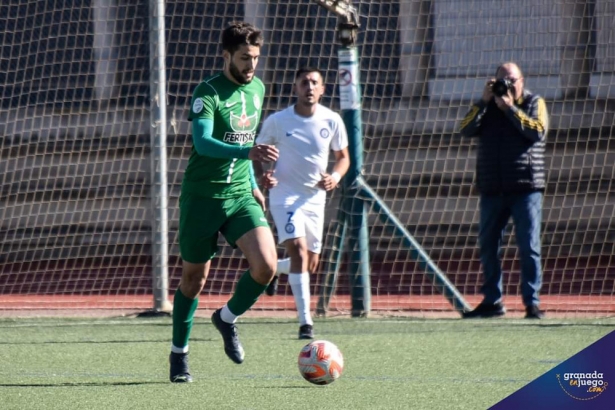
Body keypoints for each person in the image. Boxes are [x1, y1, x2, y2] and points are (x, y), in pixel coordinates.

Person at [169, 21, 280, 383]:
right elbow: (202, 143)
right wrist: (248, 152)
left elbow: (245, 144)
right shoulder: (207, 93)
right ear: (227, 55)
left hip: (238, 196)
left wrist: (252, 183)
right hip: (202, 199)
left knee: (266, 266)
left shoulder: (258, 89)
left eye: (256, 58)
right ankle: (179, 355)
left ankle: (226, 318)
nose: (251, 66)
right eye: (245, 58)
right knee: (193, 281)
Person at [254, 67, 350, 339]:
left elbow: (343, 158)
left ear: (323, 89)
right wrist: (264, 176)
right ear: (295, 88)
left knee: (310, 263)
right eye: (304, 82)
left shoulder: (331, 120)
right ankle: (305, 323)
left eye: (314, 83)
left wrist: (334, 176)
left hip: (314, 198)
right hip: (284, 195)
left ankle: (274, 270)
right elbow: (257, 154)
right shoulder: (278, 121)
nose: (309, 87)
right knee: (297, 249)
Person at [459, 61, 549, 319]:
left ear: (522, 81)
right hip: (492, 188)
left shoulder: (534, 103)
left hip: (525, 187)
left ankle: (531, 303)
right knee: (488, 245)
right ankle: (492, 301)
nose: (507, 85)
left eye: (512, 80)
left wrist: (510, 108)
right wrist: (483, 102)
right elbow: (465, 129)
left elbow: (537, 132)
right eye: (502, 80)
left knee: (528, 246)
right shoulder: (487, 107)